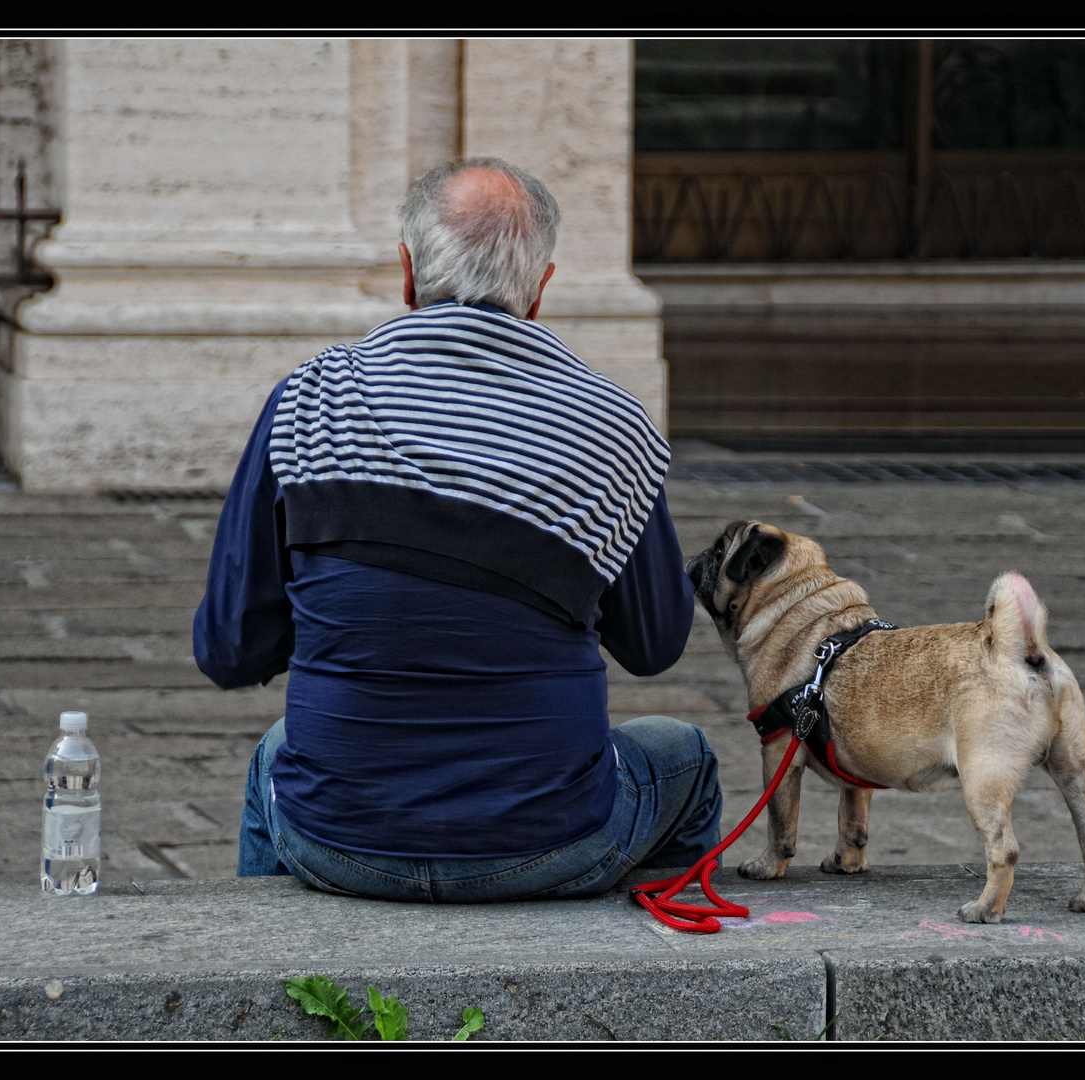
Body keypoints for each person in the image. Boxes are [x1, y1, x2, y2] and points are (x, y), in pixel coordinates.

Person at [194, 157, 721, 902]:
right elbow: (654, 645)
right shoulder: (611, 424)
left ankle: (274, 971)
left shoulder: (307, 401)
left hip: (336, 840)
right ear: (539, 289)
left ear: (408, 274)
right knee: (684, 755)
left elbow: (228, 649)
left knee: (276, 754)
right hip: (554, 839)